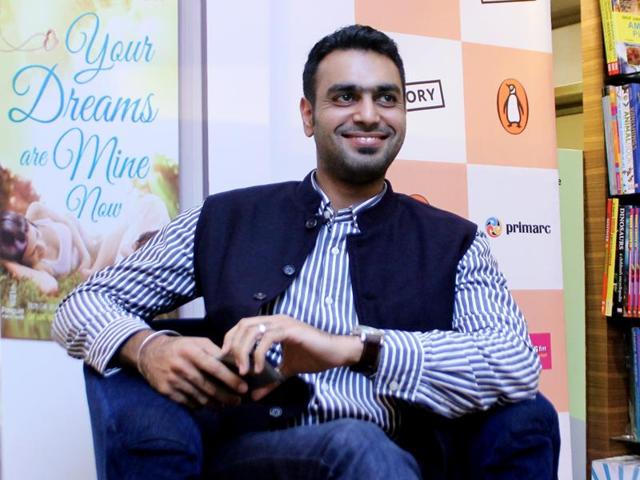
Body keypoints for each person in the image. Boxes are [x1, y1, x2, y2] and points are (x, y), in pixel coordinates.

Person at [53, 25, 559, 479]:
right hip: (258, 455)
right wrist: (147, 348)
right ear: (308, 115)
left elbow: (514, 362)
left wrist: (355, 348)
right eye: (345, 96)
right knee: (354, 444)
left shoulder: (456, 242)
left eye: (386, 98)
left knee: (519, 419)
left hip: (406, 456)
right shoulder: (227, 218)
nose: (369, 115)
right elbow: (83, 302)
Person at [0, 194, 169, 294]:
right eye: (34, 252)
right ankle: (143, 253)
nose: (42, 246)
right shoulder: (40, 269)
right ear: (21, 260)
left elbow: (68, 221)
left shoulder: (35, 211)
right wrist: (7, 262)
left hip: (96, 244)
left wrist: (85, 256)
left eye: (37, 234)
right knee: (129, 235)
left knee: (151, 203)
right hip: (101, 264)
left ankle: (143, 250)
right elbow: (50, 287)